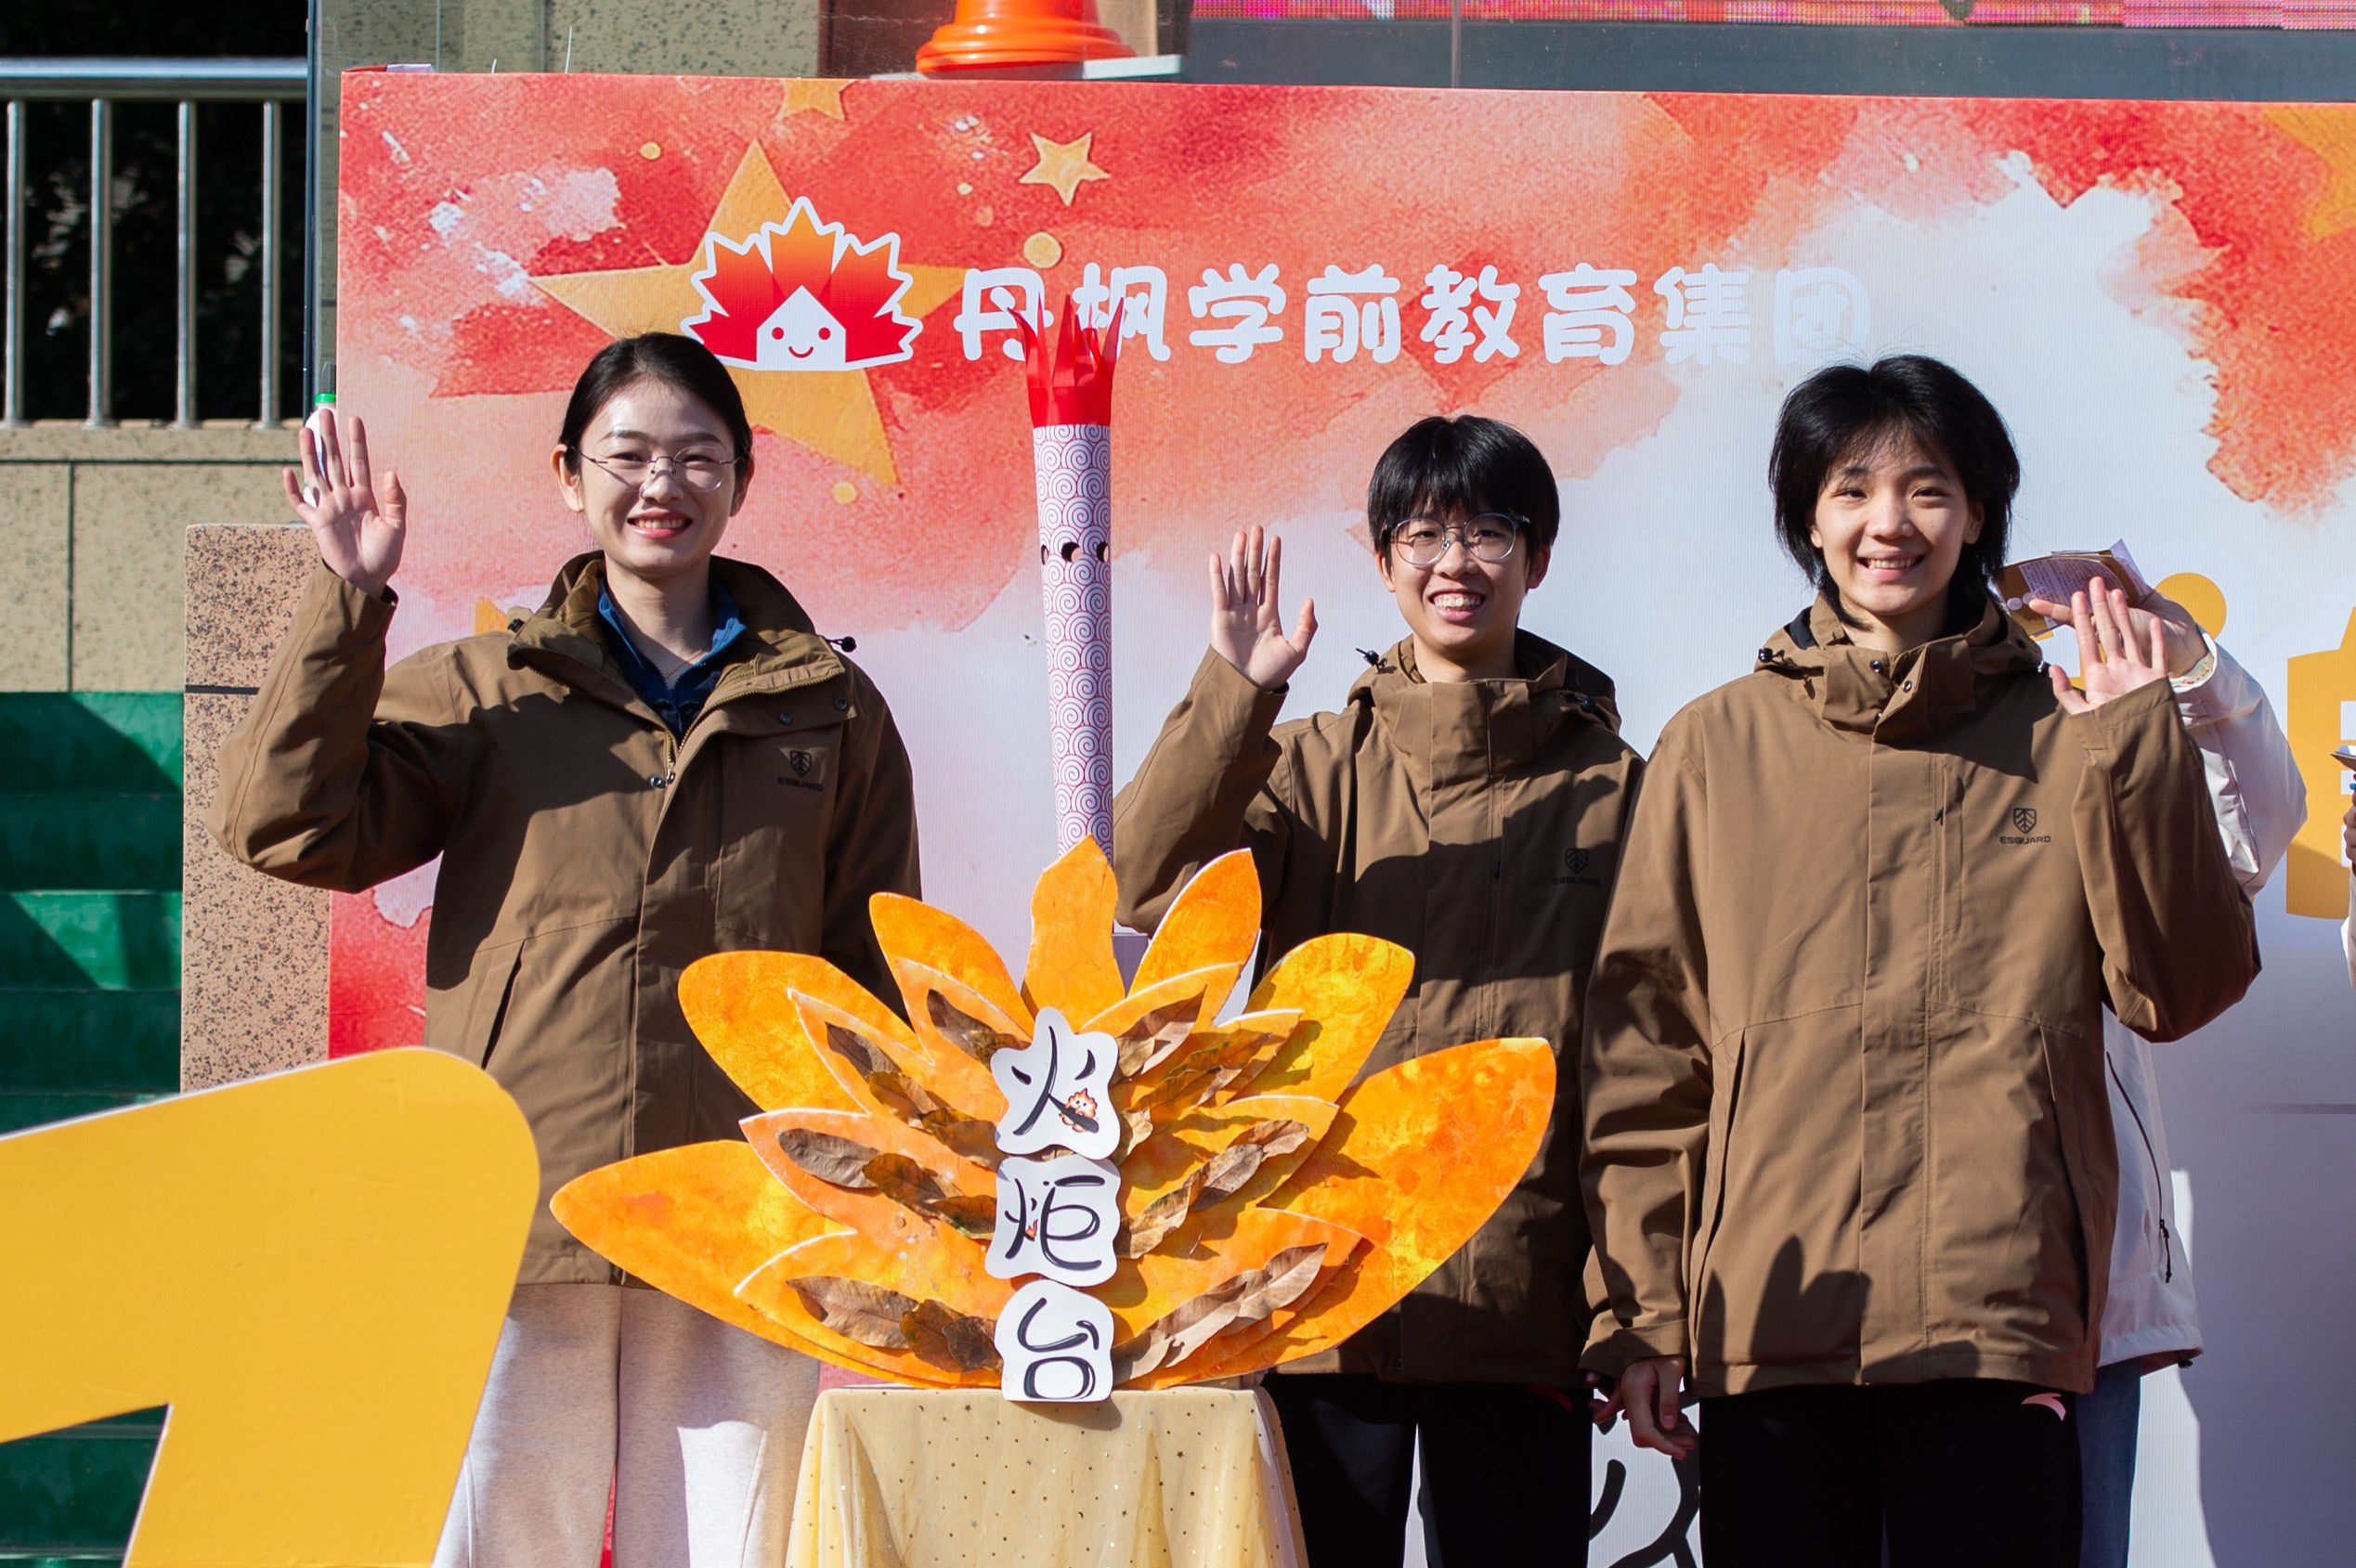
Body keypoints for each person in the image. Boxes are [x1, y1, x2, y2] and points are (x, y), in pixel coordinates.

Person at [207, 333, 920, 1567]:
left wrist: (862, 1178)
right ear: (568, 476)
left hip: (744, 1199)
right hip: (519, 1193)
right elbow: (284, 824)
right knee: (506, 1533)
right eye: (627, 455)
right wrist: (348, 601)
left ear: (741, 479)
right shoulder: (490, 690)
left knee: (731, 1540)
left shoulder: (830, 706)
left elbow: (872, 962)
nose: (662, 486)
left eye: (697, 457)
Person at [1580, 355, 2259, 1568]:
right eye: (1850, 490)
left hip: (1996, 1314)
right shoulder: (1713, 747)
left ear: (1978, 514)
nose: (1887, 522)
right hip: (1775, 1314)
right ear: (1806, 519)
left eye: (1927, 488)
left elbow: (2179, 985)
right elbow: (1647, 1056)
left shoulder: (2074, 727)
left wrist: (2133, 738)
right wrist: (1639, 1310)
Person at [1111, 415, 1640, 1566]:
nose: (1456, 562)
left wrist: (1625, 1308)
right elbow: (1144, 882)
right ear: (1383, 559)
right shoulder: (1306, 766)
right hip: (1321, 1287)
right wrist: (1235, 694)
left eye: (1488, 531)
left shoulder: (1613, 788)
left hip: (1522, 1290)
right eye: (1423, 534)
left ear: (1538, 557)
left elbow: (1637, 1069)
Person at [2011, 587, 2304, 1568]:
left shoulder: (2085, 742)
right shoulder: (1805, 751)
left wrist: (2188, 671)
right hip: (1861, 1301)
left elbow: (2248, 835)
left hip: (2077, 1290)